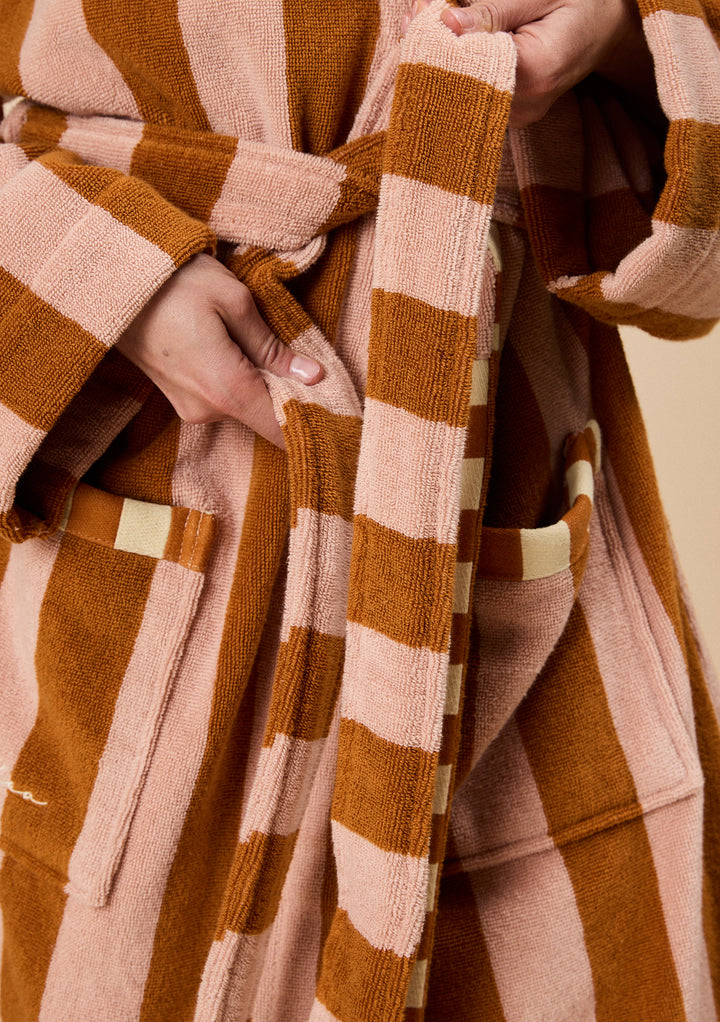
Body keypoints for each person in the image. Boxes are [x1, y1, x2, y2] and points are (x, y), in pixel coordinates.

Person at [1, 1, 719, 1019]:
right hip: (143, 478)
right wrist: (95, 276)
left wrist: (623, 23)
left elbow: (690, 267)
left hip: (504, 461)